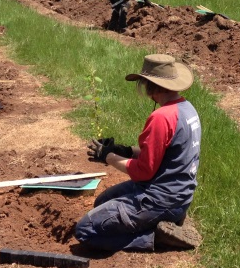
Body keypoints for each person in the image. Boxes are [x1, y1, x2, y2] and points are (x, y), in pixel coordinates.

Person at [74, 54, 202, 252]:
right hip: (180, 195)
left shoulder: (161, 117)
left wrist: (108, 157)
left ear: (151, 86)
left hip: (159, 198)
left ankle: (156, 238)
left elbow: (144, 171)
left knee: (85, 230)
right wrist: (123, 151)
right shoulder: (187, 109)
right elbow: (160, 154)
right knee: (101, 203)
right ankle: (173, 217)